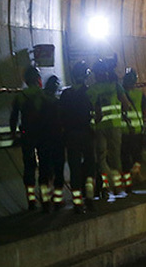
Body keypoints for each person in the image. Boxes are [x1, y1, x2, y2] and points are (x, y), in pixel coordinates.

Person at [89, 56, 130, 200]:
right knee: (115, 157)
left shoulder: (92, 90)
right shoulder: (115, 85)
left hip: (99, 128)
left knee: (101, 159)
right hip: (115, 127)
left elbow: (88, 109)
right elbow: (126, 105)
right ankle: (118, 187)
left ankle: (106, 186)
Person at [9, 65, 47, 210]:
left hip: (27, 136)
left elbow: (14, 118)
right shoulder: (43, 95)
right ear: (38, 79)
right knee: (44, 166)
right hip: (43, 135)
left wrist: (14, 134)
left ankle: (31, 200)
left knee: (29, 167)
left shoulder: (20, 96)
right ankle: (45, 198)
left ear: (25, 80)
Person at [59, 61, 94, 213]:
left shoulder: (65, 94)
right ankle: (90, 200)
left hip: (70, 136)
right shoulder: (89, 93)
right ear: (85, 76)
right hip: (86, 135)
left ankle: (77, 203)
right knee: (89, 167)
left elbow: (60, 116)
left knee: (74, 169)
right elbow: (96, 115)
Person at [120, 68, 146, 193]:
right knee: (137, 155)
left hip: (124, 130)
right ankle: (136, 171)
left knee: (125, 158)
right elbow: (145, 110)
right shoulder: (139, 94)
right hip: (137, 129)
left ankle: (128, 185)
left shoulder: (120, 94)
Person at [39, 75, 66, 212]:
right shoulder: (56, 103)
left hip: (42, 141)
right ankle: (57, 200)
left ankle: (44, 201)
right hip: (56, 140)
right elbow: (62, 121)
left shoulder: (39, 102)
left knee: (44, 171)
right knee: (58, 171)